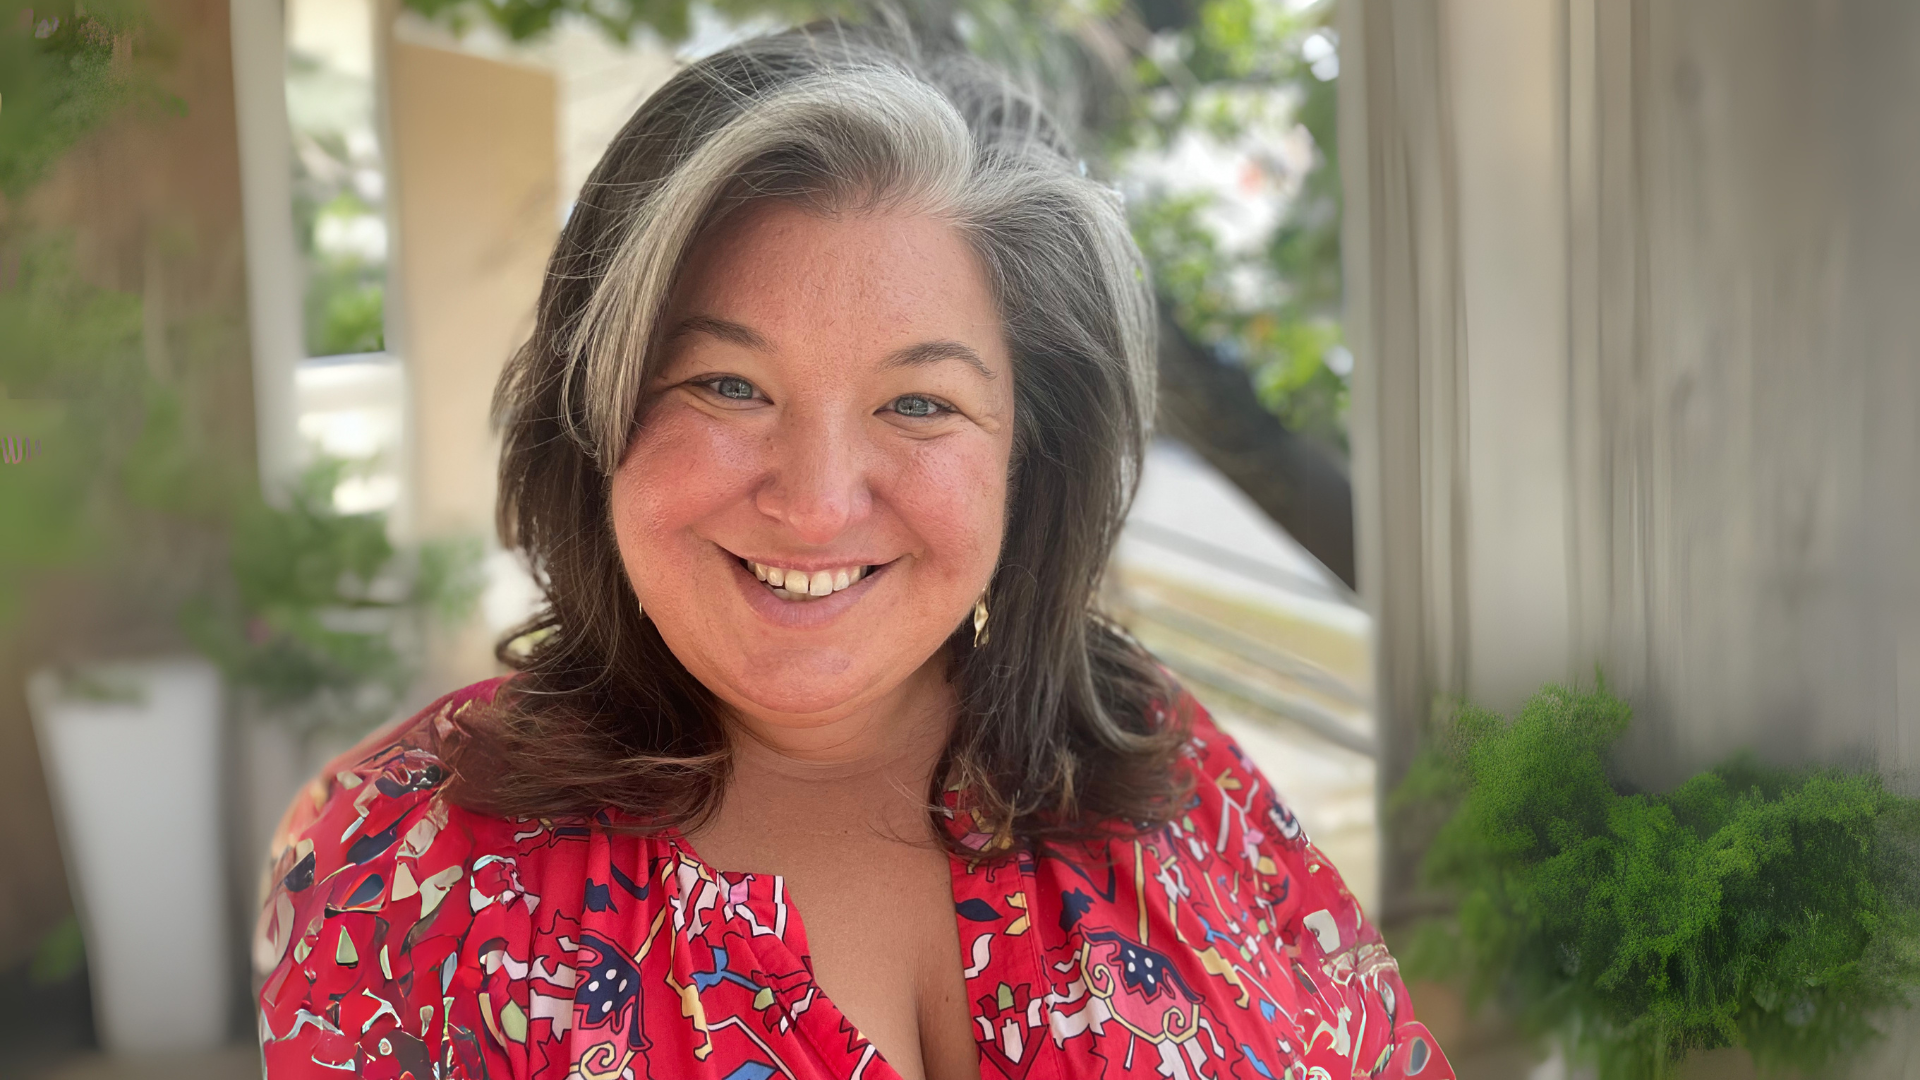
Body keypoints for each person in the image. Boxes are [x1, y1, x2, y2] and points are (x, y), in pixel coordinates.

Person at [253, 17, 1454, 1080]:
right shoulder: (400, 862)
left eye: (919, 404)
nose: (818, 504)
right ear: (596, 409)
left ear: (1027, 457)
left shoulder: (1159, 754)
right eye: (728, 385)